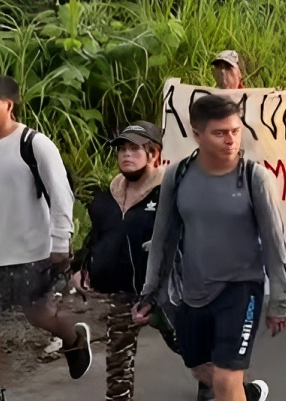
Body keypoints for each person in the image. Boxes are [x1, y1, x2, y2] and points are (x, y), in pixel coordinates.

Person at [133, 96, 286, 401]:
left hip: (241, 288)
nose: (231, 139)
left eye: (235, 130)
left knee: (225, 376)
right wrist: (149, 292)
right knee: (199, 367)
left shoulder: (253, 177)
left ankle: (234, 391)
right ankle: (245, 393)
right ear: (197, 135)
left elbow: (274, 242)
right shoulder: (177, 176)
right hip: (193, 292)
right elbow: (163, 236)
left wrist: (280, 300)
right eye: (220, 133)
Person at [0, 74, 93, 401]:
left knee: (38, 314)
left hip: (29, 252)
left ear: (9, 104)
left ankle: (73, 335)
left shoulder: (33, 144)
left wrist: (61, 244)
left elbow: (61, 195)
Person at [78, 121, 181, 401]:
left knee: (190, 348)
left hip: (164, 291)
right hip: (122, 291)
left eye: (135, 149)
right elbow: (97, 235)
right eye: (122, 149)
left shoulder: (169, 194)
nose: (126, 154)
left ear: (154, 154)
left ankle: (235, 390)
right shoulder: (107, 194)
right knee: (117, 363)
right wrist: (82, 267)